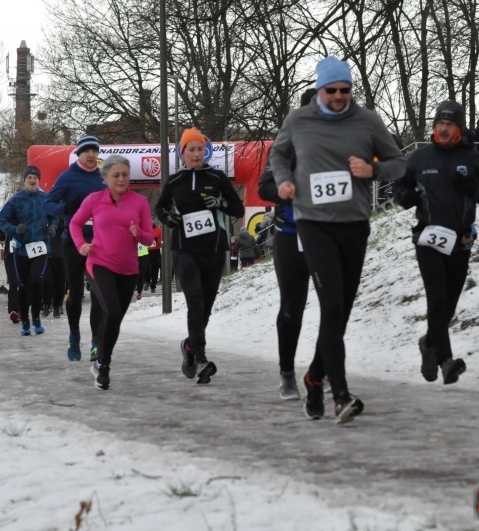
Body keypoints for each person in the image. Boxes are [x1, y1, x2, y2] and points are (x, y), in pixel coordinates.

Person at [269, 56, 406, 423]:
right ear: (319, 90)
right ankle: (340, 394)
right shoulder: (299, 120)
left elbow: (399, 162)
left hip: (354, 223)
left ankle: (314, 379)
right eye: (332, 91)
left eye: (346, 90)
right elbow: (278, 153)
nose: (340, 97)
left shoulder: (368, 121)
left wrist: (373, 170)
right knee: (331, 305)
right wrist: (284, 179)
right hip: (313, 223)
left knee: (340, 311)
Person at [392, 101, 479, 386]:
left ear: (459, 128)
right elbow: (399, 186)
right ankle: (446, 361)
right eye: (439, 124)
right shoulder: (419, 158)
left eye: (449, 125)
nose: (443, 129)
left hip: (460, 242)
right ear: (434, 127)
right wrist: (404, 198)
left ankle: (429, 343)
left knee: (449, 307)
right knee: (438, 299)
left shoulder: (474, 159)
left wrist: (474, 189)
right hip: (427, 238)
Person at [155, 127, 244, 384]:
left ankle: (190, 347)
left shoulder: (216, 177)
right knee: (194, 300)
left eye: (199, 149)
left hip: (214, 248)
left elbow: (236, 207)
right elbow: (159, 207)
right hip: (184, 249)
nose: (196, 154)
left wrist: (220, 204)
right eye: (190, 149)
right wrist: (169, 219)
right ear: (182, 153)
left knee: (205, 304)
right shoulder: (175, 180)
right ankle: (202, 358)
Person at [69, 155, 153, 390]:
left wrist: (138, 233)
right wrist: (81, 245)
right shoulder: (95, 200)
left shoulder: (140, 202)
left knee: (115, 319)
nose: (121, 179)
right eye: (116, 175)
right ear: (105, 177)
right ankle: (103, 365)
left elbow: (149, 237)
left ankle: (102, 359)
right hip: (99, 263)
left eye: (125, 174)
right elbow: (75, 224)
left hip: (129, 268)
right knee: (112, 311)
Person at [258, 87, 316, 400]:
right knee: (292, 308)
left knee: (334, 307)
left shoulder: (337, 147)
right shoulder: (285, 147)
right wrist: (285, 186)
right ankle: (287, 373)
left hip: (326, 235)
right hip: (291, 235)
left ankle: (324, 369)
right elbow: (265, 185)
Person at [44, 133, 106, 361]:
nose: (91, 155)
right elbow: (47, 205)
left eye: (94, 151)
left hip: (99, 243)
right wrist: (66, 208)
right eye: (86, 151)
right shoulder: (67, 178)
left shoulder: (103, 177)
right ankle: (74, 335)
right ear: (79, 154)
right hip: (73, 242)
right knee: (77, 293)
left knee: (99, 294)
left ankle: (97, 341)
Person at [0, 166, 57, 337]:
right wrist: (15, 229)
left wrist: (53, 226)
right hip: (21, 251)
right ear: (24, 180)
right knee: (23, 287)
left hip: (40, 247)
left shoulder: (45, 198)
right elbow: (2, 220)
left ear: (39, 181)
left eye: (35, 178)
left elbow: (54, 216)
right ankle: (25, 322)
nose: (32, 180)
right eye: (29, 177)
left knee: (36, 281)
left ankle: (36, 318)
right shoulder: (15, 200)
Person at [145, 219, 162, 293]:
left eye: (152, 220)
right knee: (146, 267)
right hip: (146, 250)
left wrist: (156, 239)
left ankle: (153, 286)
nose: (151, 221)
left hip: (156, 251)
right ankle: (147, 281)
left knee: (155, 268)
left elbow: (161, 241)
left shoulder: (158, 230)